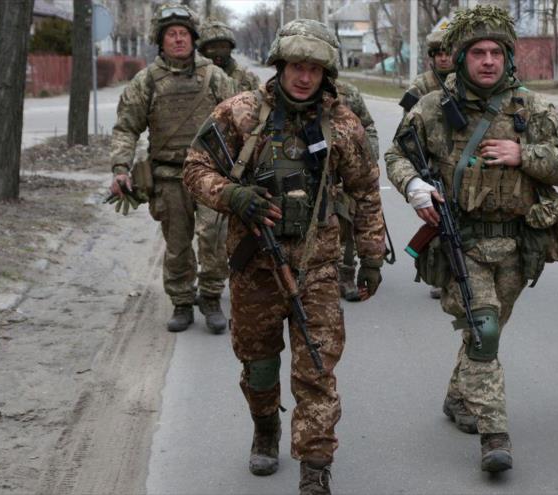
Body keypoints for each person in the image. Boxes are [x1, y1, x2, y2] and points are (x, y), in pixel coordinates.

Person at [182, 19, 385, 494]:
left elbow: (366, 190)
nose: (304, 76)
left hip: (317, 265)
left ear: (326, 73)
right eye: (297, 65)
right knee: (259, 364)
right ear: (281, 64)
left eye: (315, 68)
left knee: (317, 368)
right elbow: (195, 168)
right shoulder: (240, 113)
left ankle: (315, 466)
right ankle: (266, 427)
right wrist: (234, 197)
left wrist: (372, 256)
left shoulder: (343, 124)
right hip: (255, 267)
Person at [386, 6, 558, 473]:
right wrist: (414, 187)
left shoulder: (530, 108)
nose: (489, 61)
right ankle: (496, 436)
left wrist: (524, 153)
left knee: (486, 336)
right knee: (484, 330)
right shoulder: (433, 108)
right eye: (478, 52)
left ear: (507, 58)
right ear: (460, 57)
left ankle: (459, 397)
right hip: (463, 243)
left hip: (516, 245)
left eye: (497, 52)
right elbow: (398, 155)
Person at [108, 3, 235, 334]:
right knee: (177, 244)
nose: (178, 40)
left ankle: (210, 297)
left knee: (214, 238)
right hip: (168, 176)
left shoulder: (215, 77)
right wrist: (121, 167)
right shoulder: (147, 81)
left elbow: (239, 123)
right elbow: (126, 127)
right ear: (160, 41)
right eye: (171, 35)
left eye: (183, 34)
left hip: (210, 173)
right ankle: (181, 301)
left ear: (193, 39)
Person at [398, 25, 455, 300]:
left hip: (459, 157)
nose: (443, 58)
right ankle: (441, 273)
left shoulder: (466, 80)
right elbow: (406, 132)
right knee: (439, 222)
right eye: (437, 54)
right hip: (430, 161)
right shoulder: (421, 86)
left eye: (447, 53)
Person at [335, 79, 380, 301]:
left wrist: (368, 156)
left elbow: (368, 126)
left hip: (345, 171)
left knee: (348, 221)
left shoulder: (347, 92)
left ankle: (346, 274)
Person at [398, 26, 455, 114]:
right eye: (439, 55)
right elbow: (408, 116)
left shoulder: (464, 80)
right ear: (433, 57)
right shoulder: (421, 83)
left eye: (448, 54)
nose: (443, 59)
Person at [198, 20, 261, 92]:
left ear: (230, 48)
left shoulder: (247, 78)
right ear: (203, 50)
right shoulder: (197, 77)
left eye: (223, 47)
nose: (219, 53)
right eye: (212, 47)